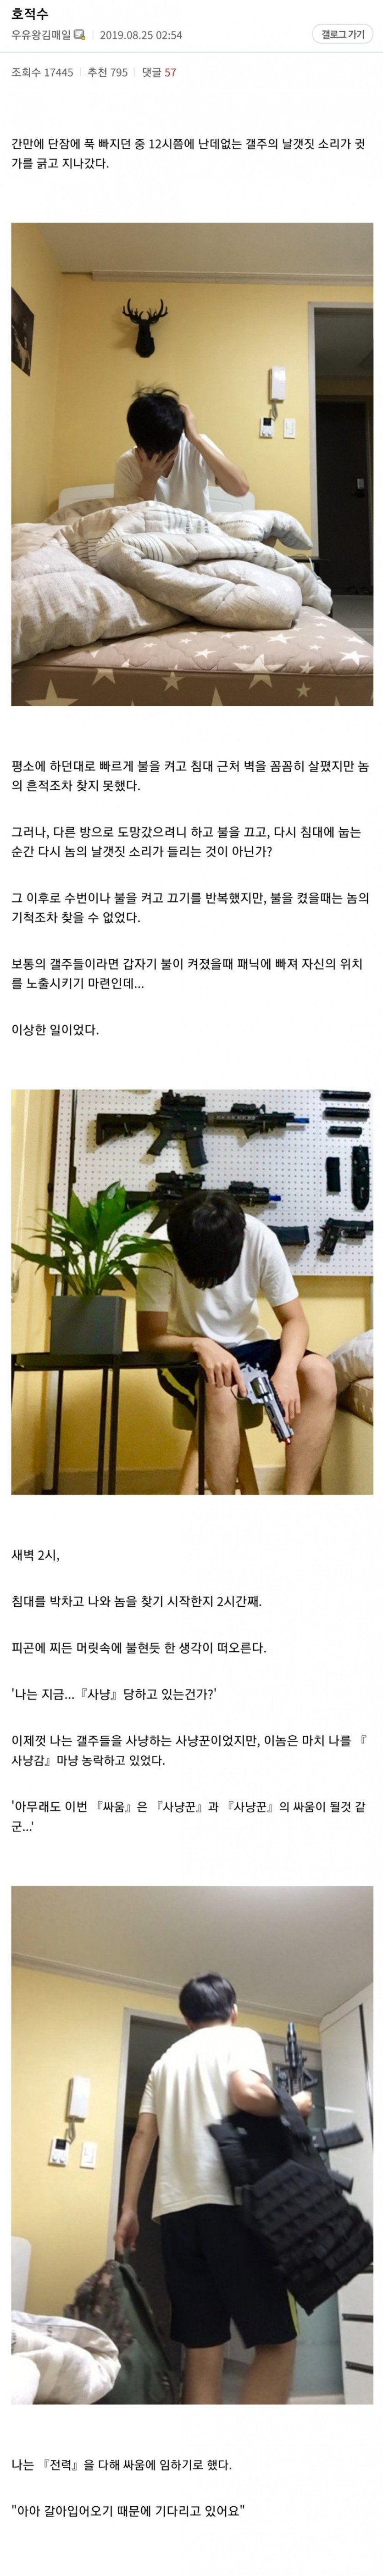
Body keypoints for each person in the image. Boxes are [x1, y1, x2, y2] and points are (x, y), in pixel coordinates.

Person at [115, 1971, 313, 2405]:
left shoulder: (163, 2064)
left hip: (176, 2216)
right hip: (233, 2207)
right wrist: (294, 2105)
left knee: (202, 2348)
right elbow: (246, 2095)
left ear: (187, 2019)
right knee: (277, 2341)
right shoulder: (240, 2038)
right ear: (233, 2011)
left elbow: (143, 2136)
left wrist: (129, 2209)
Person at [135, 1191, 337, 1495]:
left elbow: (295, 1321)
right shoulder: (162, 1246)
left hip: (248, 1347)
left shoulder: (259, 1238)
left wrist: (286, 1370)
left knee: (320, 1373)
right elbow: (150, 1340)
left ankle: (294, 1504)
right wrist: (201, 1345)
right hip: (184, 1353)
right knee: (219, 1387)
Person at [114, 389, 249, 515]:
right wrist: (149, 480)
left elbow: (240, 488)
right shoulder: (127, 464)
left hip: (197, 531)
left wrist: (196, 438)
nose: (161, 459)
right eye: (152, 454)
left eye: (169, 451)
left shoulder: (195, 447)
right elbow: (132, 522)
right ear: (138, 445)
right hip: (154, 532)